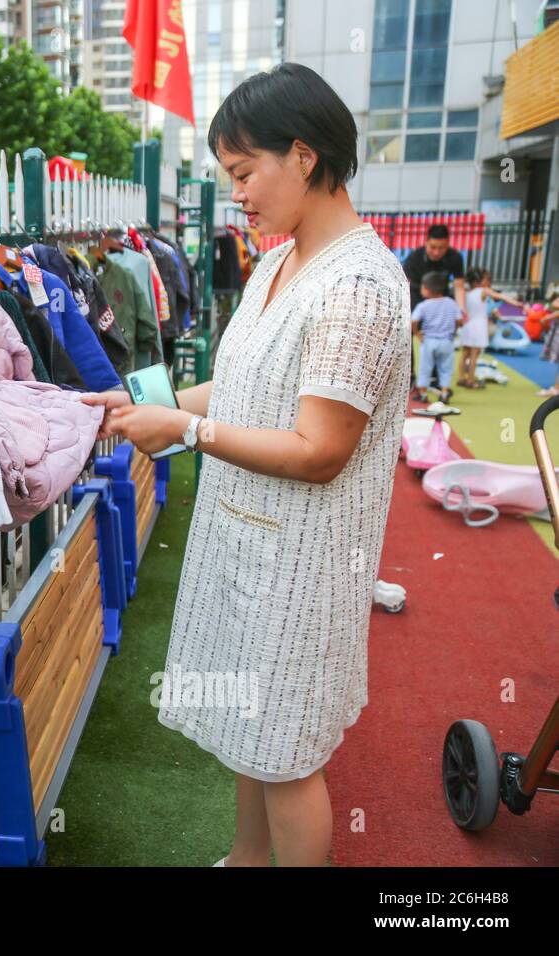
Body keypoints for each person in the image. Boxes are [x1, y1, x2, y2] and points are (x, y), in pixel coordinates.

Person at [82, 62, 410, 867]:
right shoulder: (278, 261)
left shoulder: (360, 286)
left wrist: (186, 434)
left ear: (303, 156)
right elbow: (240, 385)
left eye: (243, 172)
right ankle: (247, 859)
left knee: (287, 755)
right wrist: (137, 402)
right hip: (248, 539)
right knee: (252, 739)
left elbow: (321, 450)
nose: (238, 193)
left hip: (303, 559)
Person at [458, 268, 522, 389]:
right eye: (487, 279)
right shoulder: (483, 290)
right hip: (478, 326)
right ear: (478, 282)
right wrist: (517, 304)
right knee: (474, 355)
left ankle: (461, 378)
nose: (489, 282)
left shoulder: (467, 293)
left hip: (468, 326)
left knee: (465, 353)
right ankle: (471, 380)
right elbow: (500, 296)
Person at [411, 271, 465, 403]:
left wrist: (417, 333)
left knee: (425, 367)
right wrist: (454, 330)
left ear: (426, 289)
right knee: (446, 368)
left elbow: (413, 321)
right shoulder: (451, 303)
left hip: (429, 340)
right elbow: (459, 320)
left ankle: (423, 394)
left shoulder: (423, 306)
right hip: (446, 341)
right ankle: (445, 392)